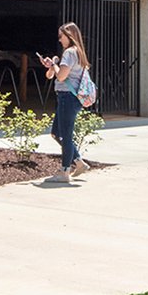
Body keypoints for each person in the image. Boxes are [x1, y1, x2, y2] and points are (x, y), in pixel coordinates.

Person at [39, 20, 92, 181]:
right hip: (68, 98)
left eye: (61, 36)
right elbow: (51, 75)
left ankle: (64, 171)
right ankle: (79, 162)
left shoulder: (70, 53)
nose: (59, 39)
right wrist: (51, 66)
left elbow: (61, 76)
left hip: (68, 97)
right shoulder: (77, 52)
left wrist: (55, 64)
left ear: (69, 36)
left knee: (65, 135)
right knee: (57, 133)